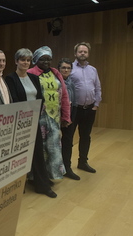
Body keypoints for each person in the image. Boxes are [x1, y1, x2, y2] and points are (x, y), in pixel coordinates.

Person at [5, 48, 57, 198]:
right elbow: (14, 100)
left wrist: (35, 111)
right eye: (22, 60)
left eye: (28, 60)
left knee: (38, 153)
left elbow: (40, 99)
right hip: (20, 124)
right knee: (19, 155)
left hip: (34, 121)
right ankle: (18, 186)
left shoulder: (34, 78)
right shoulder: (11, 79)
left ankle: (42, 185)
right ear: (16, 61)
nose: (25, 63)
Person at [28, 46, 71, 179]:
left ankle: (51, 175)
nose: (46, 62)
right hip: (38, 118)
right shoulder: (30, 73)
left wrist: (66, 116)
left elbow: (64, 95)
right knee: (39, 149)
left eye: (49, 59)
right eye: (42, 59)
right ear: (36, 60)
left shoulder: (55, 73)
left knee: (53, 147)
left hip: (54, 118)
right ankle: (38, 177)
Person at [70, 42, 102, 173]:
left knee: (85, 136)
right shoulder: (69, 68)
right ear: (75, 53)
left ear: (88, 54)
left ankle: (83, 162)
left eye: (85, 52)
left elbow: (98, 88)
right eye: (80, 51)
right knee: (68, 137)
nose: (82, 53)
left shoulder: (93, 70)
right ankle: (65, 166)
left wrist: (96, 105)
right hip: (74, 110)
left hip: (89, 109)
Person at [58, 58, 81, 180]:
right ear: (59, 69)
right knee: (55, 144)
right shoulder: (56, 82)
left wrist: (71, 117)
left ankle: (67, 168)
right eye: (63, 68)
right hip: (57, 117)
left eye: (68, 68)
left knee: (68, 143)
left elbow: (75, 101)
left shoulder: (71, 82)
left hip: (70, 117)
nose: (66, 70)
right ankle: (56, 169)